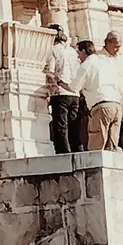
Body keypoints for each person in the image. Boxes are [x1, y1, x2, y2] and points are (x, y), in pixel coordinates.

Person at [78, 31, 123, 150]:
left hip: (118, 103)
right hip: (100, 101)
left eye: (119, 47)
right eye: (115, 46)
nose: (117, 49)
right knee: (98, 139)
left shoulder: (118, 61)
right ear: (107, 42)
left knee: (113, 143)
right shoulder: (97, 59)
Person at [41, 25, 81, 155]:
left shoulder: (52, 50)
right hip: (75, 93)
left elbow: (50, 72)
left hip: (60, 92)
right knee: (73, 125)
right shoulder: (73, 51)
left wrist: (49, 89)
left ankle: (64, 152)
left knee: (61, 125)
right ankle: (77, 150)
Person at [72, 41, 95, 150]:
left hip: (93, 103)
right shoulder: (101, 61)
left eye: (79, 52)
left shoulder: (86, 65)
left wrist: (61, 83)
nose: (78, 56)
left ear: (84, 51)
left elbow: (75, 87)